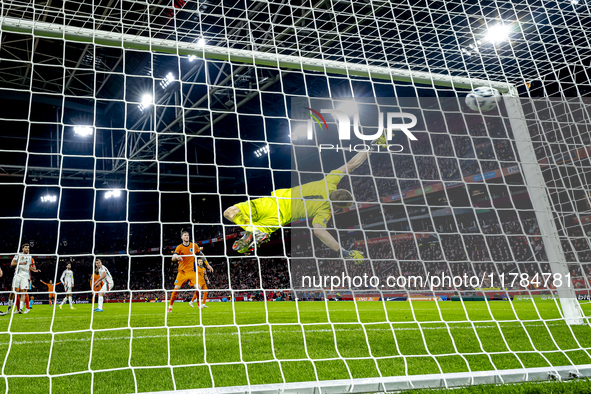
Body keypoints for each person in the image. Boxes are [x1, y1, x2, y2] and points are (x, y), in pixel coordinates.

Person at [224, 136, 387, 261]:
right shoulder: (325, 211)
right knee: (246, 236)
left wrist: (371, 147)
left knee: (230, 212)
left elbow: (351, 164)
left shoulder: (330, 182)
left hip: (272, 203)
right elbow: (318, 231)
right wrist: (342, 251)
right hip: (277, 219)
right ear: (337, 206)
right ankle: (254, 230)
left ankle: (250, 228)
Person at [168, 230, 213, 313]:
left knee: (198, 288)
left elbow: (201, 254)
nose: (187, 236)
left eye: (187, 235)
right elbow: (173, 257)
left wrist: (207, 264)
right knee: (176, 290)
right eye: (185, 235)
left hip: (192, 272)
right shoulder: (179, 247)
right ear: (182, 237)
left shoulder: (194, 246)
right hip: (182, 272)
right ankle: (170, 306)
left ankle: (198, 302)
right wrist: (176, 257)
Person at [11, 243, 41, 314]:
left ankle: (26, 308)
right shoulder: (19, 255)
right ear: (22, 248)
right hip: (18, 275)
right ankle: (18, 309)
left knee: (24, 292)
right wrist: (19, 265)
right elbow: (13, 263)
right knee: (16, 292)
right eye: (26, 248)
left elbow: (31, 266)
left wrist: (35, 270)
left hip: (26, 277)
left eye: (28, 248)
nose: (27, 249)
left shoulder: (30, 257)